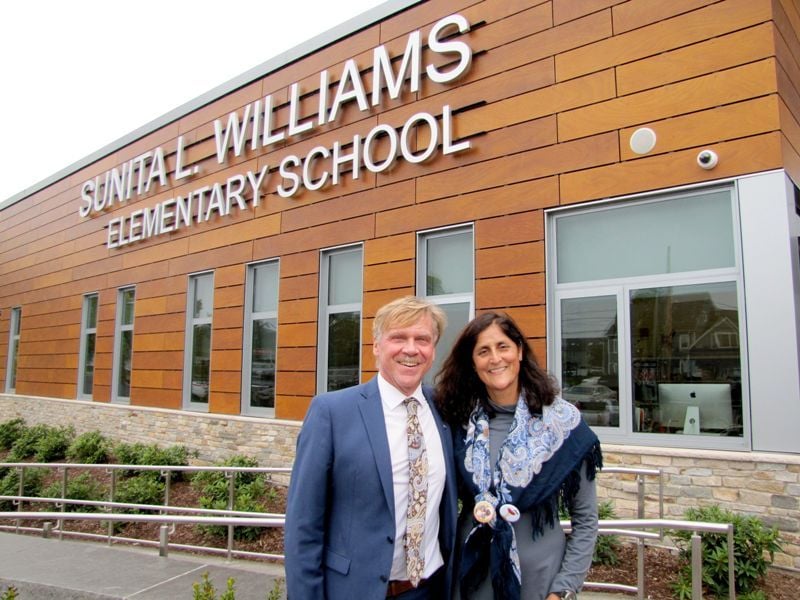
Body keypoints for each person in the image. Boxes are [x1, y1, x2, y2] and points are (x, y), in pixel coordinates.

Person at [284, 296, 458, 599]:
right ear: (376, 346)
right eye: (398, 338)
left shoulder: (445, 409)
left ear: (433, 350)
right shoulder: (332, 412)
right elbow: (303, 526)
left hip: (431, 589)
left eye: (422, 339)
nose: (411, 349)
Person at [436, 311, 602, 600]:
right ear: (473, 364)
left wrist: (564, 589)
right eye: (483, 351)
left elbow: (586, 519)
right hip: (470, 580)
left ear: (520, 351)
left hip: (541, 584)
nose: (495, 359)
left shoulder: (562, 424)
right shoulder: (455, 423)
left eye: (503, 347)